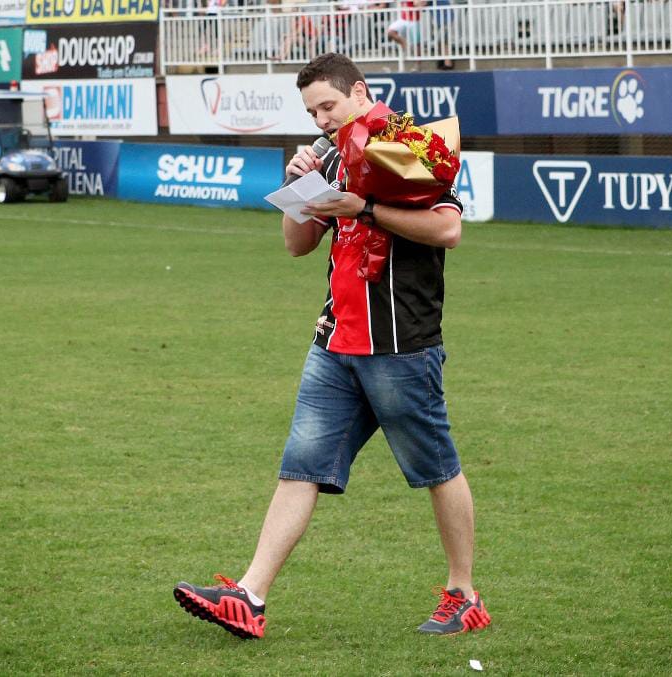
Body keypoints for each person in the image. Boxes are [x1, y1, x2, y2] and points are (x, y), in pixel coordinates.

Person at [173, 52, 490, 639]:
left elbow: (448, 230)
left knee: (436, 469)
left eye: (328, 105)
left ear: (360, 91)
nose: (320, 118)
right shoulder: (326, 155)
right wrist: (298, 187)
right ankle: (250, 596)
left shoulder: (410, 143)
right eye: (312, 109)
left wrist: (363, 206)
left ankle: (463, 594)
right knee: (301, 467)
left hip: (399, 343)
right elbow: (296, 245)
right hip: (335, 341)